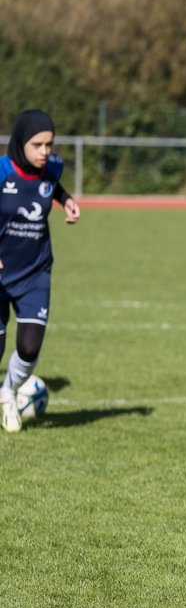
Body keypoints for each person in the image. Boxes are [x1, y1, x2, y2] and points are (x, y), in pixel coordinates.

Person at [0, 109, 79, 432]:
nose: (45, 152)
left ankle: (8, 394)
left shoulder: (52, 167)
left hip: (35, 271)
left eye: (49, 144)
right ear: (20, 143)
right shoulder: (1, 172)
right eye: (37, 145)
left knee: (29, 347)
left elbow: (52, 186)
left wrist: (66, 199)